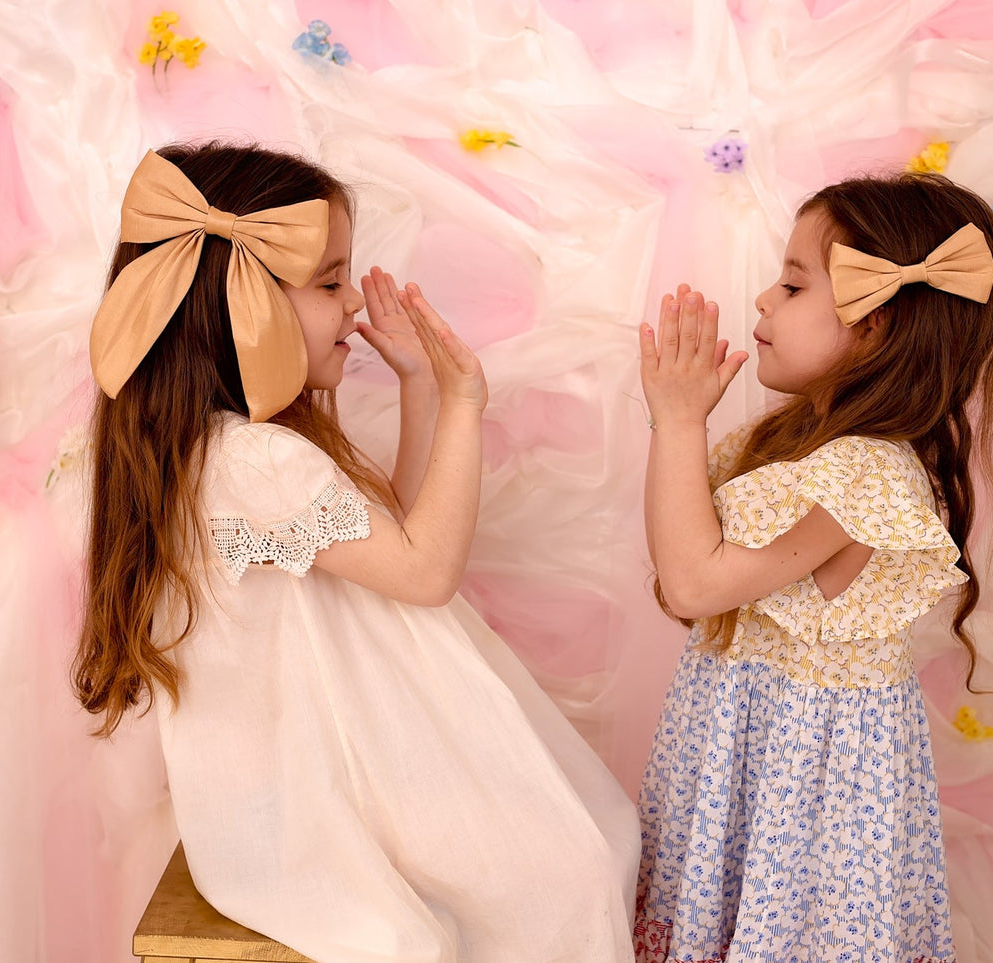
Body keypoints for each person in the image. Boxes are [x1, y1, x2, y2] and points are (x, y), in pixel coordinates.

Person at [71, 142, 638, 963]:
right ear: (244, 304)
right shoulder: (253, 460)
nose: (351, 305)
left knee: (581, 847)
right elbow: (425, 570)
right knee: (573, 867)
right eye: (329, 282)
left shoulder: (219, 446)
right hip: (308, 786)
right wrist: (462, 402)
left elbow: (396, 542)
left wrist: (417, 388)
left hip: (306, 764)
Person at [633, 172, 993, 962]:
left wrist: (676, 420)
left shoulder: (864, 474)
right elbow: (683, 580)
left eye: (792, 283)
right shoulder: (786, 449)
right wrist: (680, 428)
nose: (763, 298)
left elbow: (693, 583)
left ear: (875, 325)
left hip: (802, 794)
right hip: (745, 757)